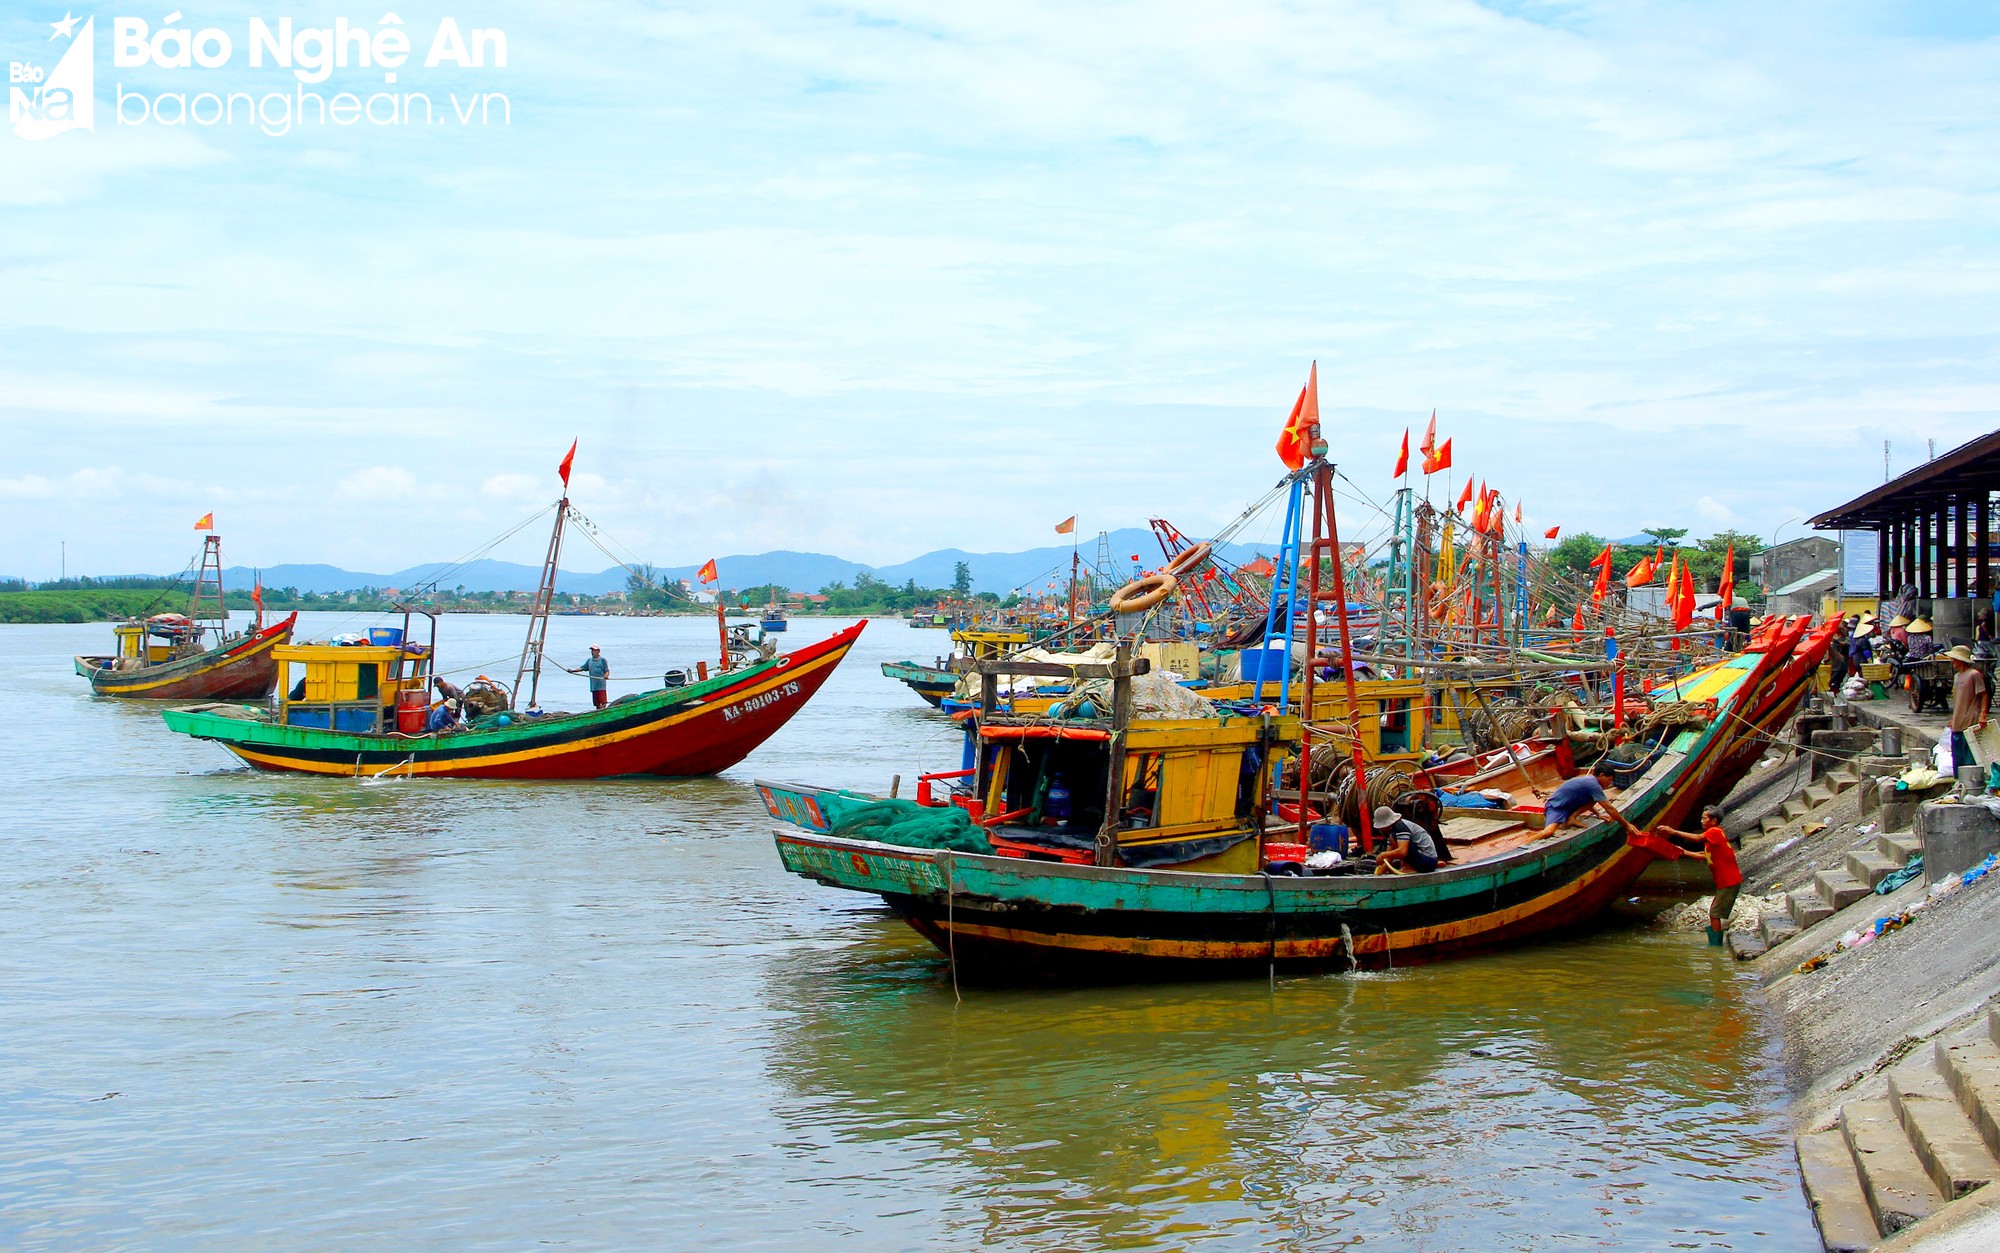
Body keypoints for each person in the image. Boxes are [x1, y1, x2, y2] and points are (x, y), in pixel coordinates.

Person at [1656, 806, 1742, 946]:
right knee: (1714, 913)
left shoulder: (1714, 831)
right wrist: (1681, 852)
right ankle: (1715, 942)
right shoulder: (1712, 840)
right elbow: (1702, 856)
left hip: (1729, 881)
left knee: (1714, 914)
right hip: (1725, 882)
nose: (1701, 821)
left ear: (1714, 821)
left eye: (1704, 818)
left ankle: (1715, 946)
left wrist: (1673, 831)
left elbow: (1697, 838)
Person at [1541, 764, 1643, 836]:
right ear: (1602, 775)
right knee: (1549, 832)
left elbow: (1591, 801)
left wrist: (1598, 814)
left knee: (1595, 798)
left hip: (1568, 807)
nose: (1609, 783)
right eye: (1609, 780)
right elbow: (1609, 808)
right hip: (1556, 807)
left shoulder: (1592, 783)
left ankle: (1571, 818)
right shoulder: (1594, 785)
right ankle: (1527, 843)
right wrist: (1627, 825)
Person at [1946, 645, 1990, 775]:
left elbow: (1984, 696)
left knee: (1969, 759)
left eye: (1953, 658)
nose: (1952, 661)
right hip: (1957, 725)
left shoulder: (1974, 675)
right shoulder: (1957, 676)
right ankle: (1959, 785)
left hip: (1970, 723)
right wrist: (1953, 718)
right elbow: (1957, 700)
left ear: (1959, 660)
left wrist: (1982, 716)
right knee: (1957, 759)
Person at [1371, 805, 1440, 874]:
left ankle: (1409, 866)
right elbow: (1389, 857)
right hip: (1425, 860)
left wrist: (1383, 855)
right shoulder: (1392, 832)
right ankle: (1407, 865)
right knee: (1392, 840)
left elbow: (1402, 851)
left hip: (1427, 861)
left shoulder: (1400, 827)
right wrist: (1379, 872)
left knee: (1395, 839)